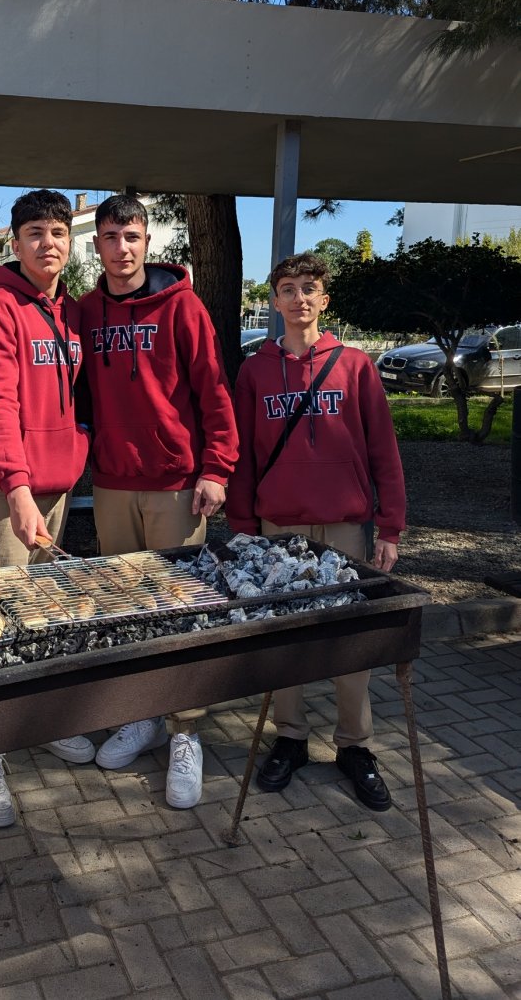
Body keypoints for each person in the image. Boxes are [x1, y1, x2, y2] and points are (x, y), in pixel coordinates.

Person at [226, 251, 406, 811]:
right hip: (279, 525)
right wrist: (243, 527)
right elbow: (243, 459)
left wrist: (390, 527)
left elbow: (384, 451)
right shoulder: (255, 371)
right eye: (288, 288)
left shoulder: (355, 366)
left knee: (349, 640)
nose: (299, 297)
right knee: (285, 638)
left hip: (346, 524)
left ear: (323, 300)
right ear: (274, 300)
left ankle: (354, 745)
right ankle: (290, 737)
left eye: (309, 288)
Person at [78, 194, 239, 808]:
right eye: (111, 237)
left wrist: (216, 468)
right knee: (124, 606)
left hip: (176, 482)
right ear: (98, 244)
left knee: (178, 609)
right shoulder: (86, 311)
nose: (122, 248)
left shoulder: (182, 305)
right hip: (114, 481)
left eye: (132, 237)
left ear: (148, 243)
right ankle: (140, 714)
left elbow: (214, 391)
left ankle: (185, 731)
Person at [0, 189, 94, 825]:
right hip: (3, 492)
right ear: (15, 244)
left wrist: (73, 450)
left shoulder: (71, 312)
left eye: (58, 232)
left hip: (54, 487)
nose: (48, 243)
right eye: (35, 233)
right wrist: (15, 486)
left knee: (39, 613)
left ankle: (36, 723)